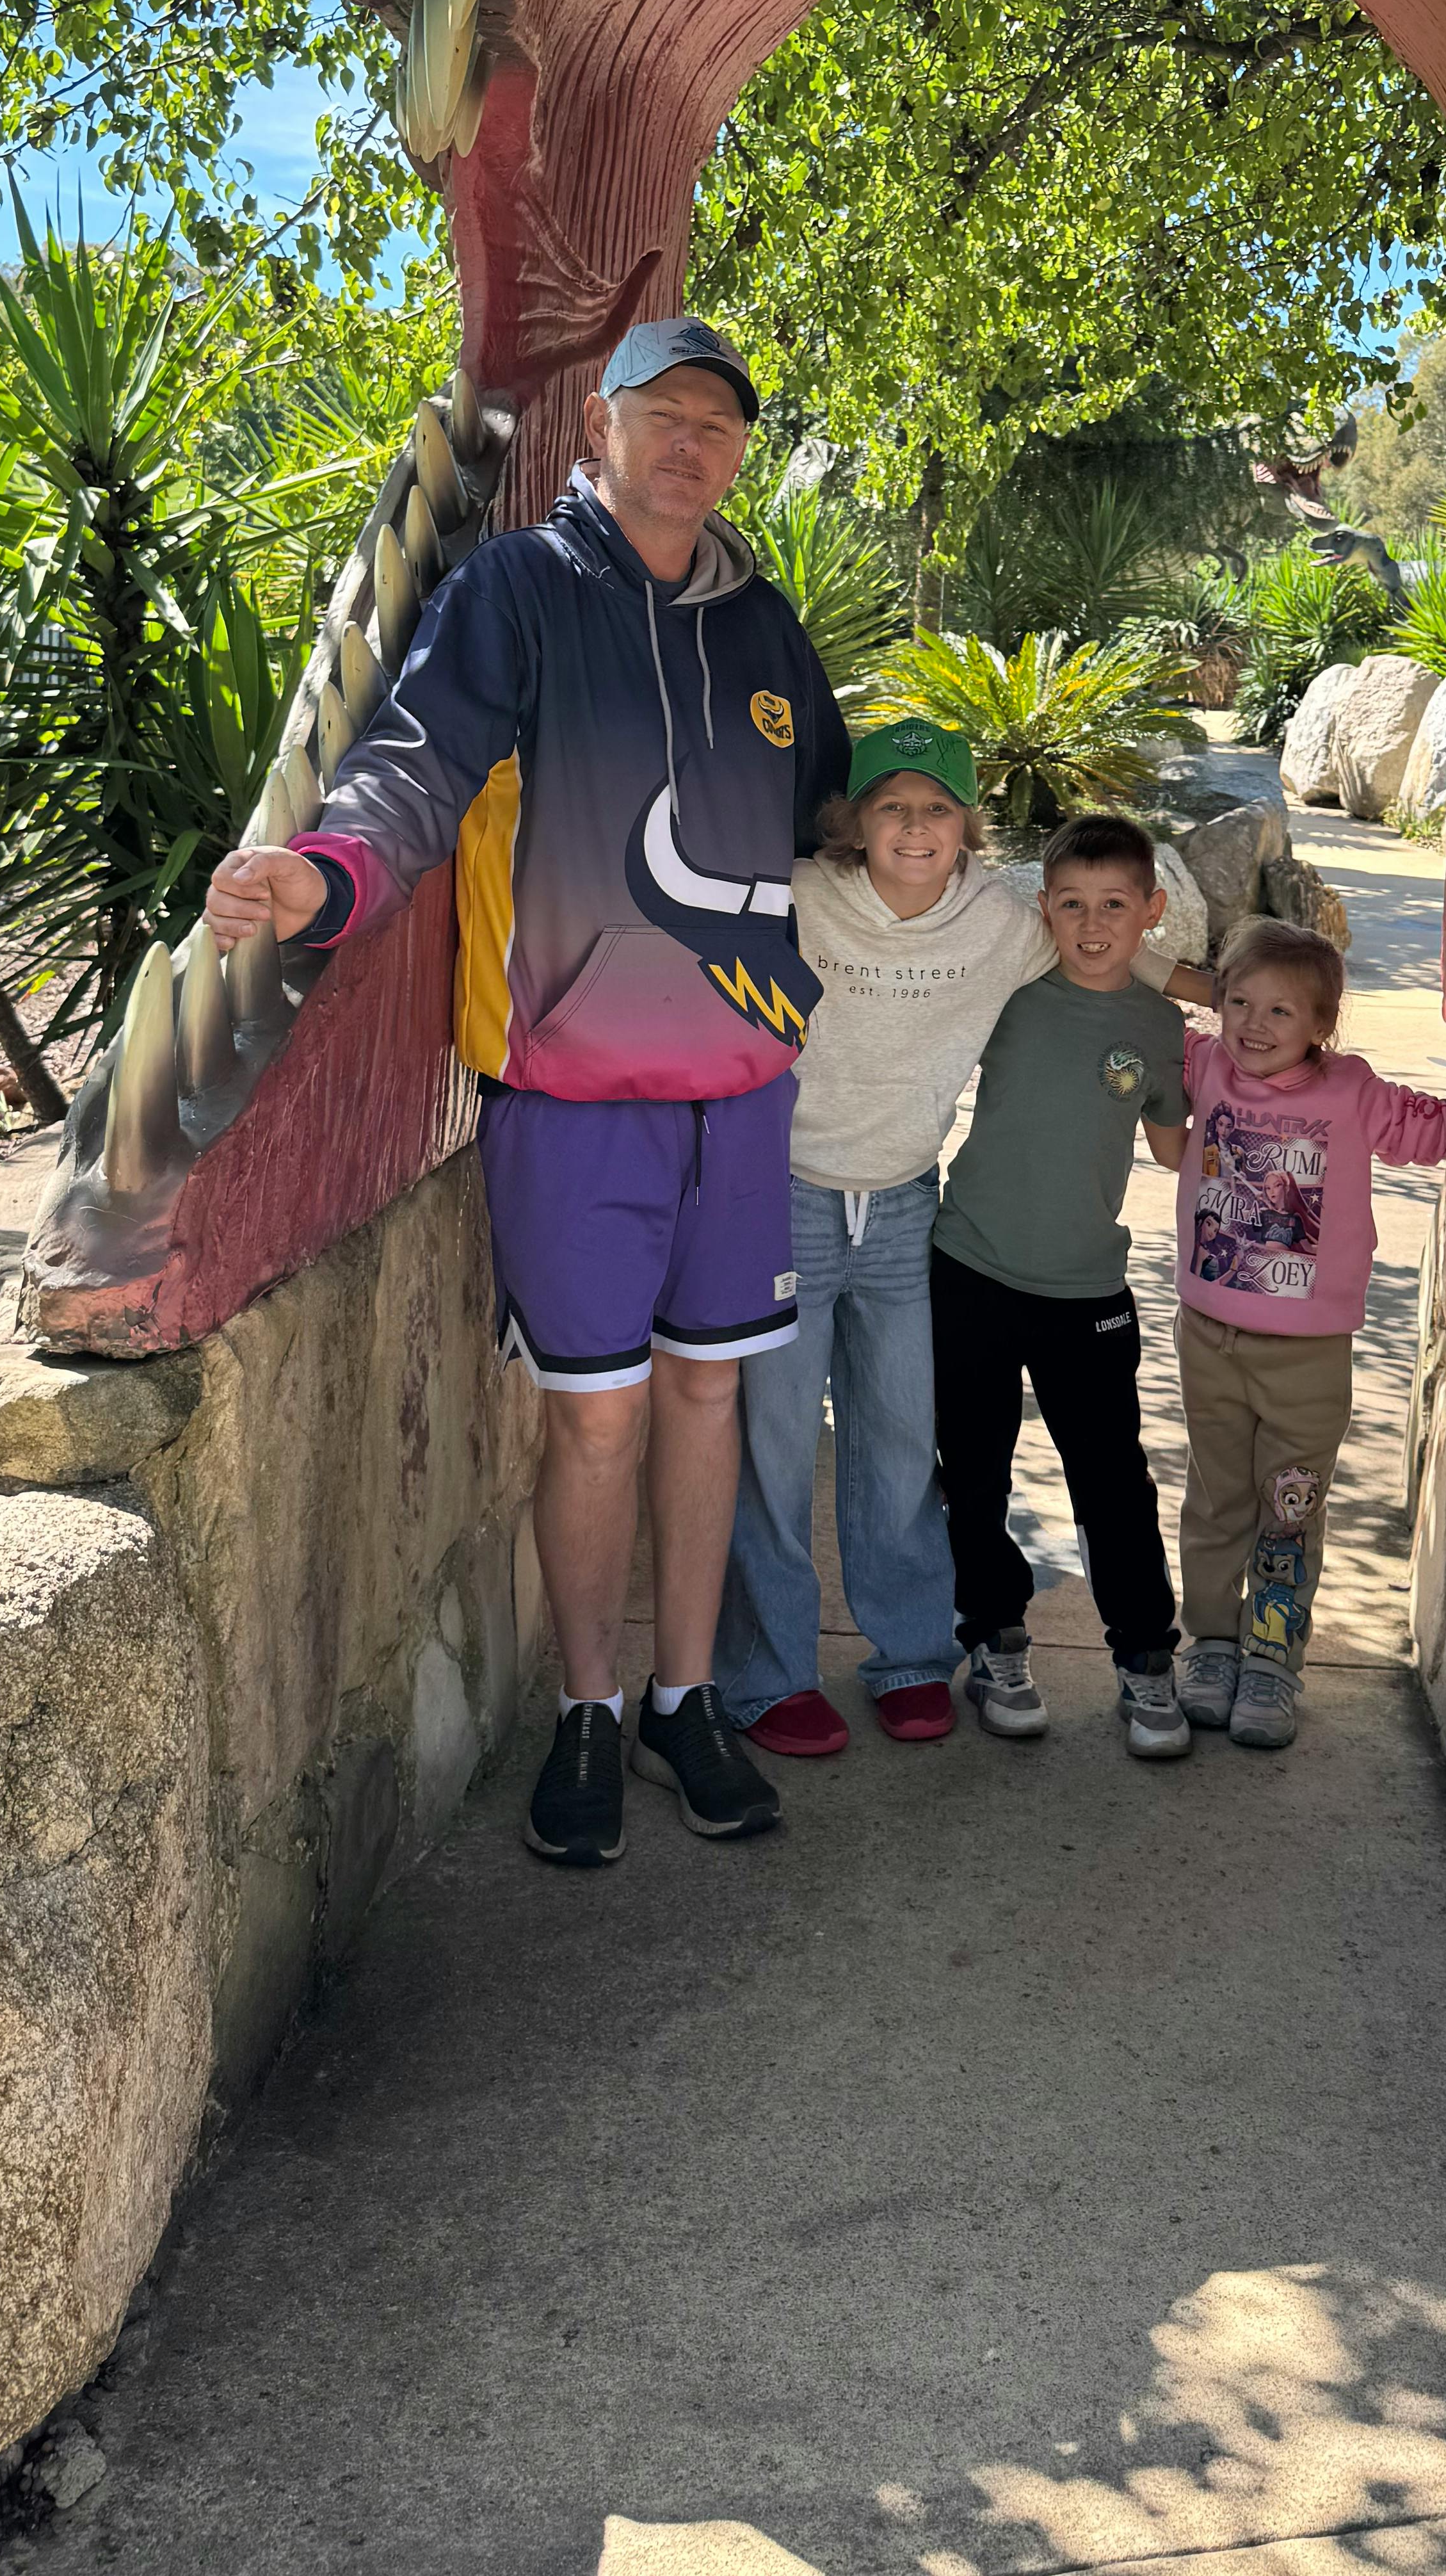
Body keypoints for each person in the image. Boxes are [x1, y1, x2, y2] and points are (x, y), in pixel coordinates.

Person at [203, 315, 844, 1873]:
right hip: (572, 1094)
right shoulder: (519, 592)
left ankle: (684, 1702)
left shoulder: (766, 624)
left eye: (719, 424)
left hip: (741, 1097)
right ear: (599, 430)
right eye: (662, 412)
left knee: (711, 1395)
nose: (692, 443)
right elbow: (415, 766)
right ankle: (587, 1710)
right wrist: (327, 873)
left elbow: (829, 804)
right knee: (597, 1419)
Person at [715, 723, 1209, 1757]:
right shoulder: (796, 894)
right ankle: (769, 1676)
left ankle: (908, 1658)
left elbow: (1110, 948)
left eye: (937, 808)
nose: (915, 827)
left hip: (907, 1206)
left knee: (903, 1444)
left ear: (967, 826)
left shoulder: (1002, 922)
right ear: (853, 820)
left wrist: (1244, 999)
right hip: (785, 1199)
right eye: (892, 806)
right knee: (774, 1448)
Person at [1166, 917, 1446, 1753]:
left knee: (1287, 1510)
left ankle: (1272, 1659)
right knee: (1216, 1501)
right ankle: (1212, 1645)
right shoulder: (1204, 1063)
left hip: (1307, 1357)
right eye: (1239, 1003)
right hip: (1208, 1338)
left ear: (1322, 1024)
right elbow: (1134, 988)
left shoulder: (1352, 1092)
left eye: (1281, 1011)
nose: (1254, 1025)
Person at [927, 812, 1196, 1762]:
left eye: (1115, 906)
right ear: (1043, 908)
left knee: (1113, 1480)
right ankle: (995, 1642)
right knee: (974, 1470)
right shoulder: (1008, 992)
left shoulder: (1160, 1028)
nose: (1092, 925)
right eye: (1072, 904)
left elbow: (1177, 1149)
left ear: (1151, 911)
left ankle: (1146, 1659)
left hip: (1087, 1289)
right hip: (972, 1267)